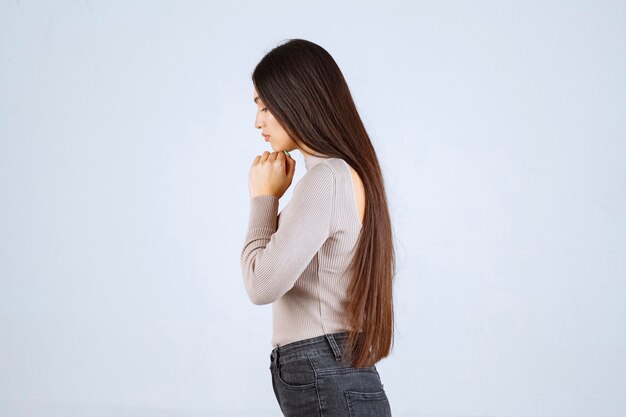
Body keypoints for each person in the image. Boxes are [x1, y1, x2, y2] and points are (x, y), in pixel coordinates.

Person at [241, 38, 395, 417]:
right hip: (342, 372)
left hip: (323, 369)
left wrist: (264, 199)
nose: (257, 120)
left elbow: (261, 285)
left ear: (298, 99)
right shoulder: (346, 174)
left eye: (265, 105)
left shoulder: (326, 178)